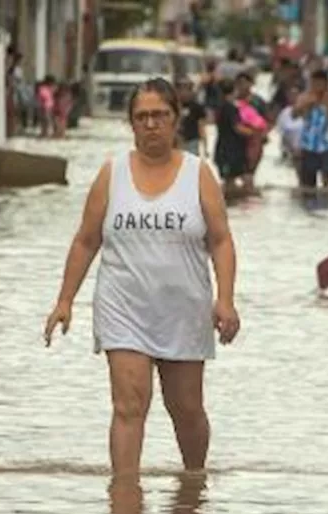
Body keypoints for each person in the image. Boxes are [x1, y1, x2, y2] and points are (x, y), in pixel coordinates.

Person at [43, 77, 240, 477]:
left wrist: (226, 299)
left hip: (183, 308)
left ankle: (194, 482)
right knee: (129, 405)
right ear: (131, 123)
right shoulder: (111, 174)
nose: (151, 124)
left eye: (160, 115)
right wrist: (64, 300)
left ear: (176, 119)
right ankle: (125, 501)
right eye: (142, 117)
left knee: (185, 409)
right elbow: (86, 241)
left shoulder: (198, 174)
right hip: (123, 307)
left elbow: (221, 241)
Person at [292, 69, 328, 194]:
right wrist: (309, 104)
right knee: (307, 184)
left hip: (325, 147)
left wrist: (327, 104)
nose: (316, 86)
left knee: (326, 183)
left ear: (327, 84)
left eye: (320, 83)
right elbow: (294, 114)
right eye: (314, 83)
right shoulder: (305, 97)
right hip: (307, 146)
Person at [212, 79, 256, 197]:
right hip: (231, 151)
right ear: (234, 91)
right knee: (240, 180)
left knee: (230, 181)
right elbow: (237, 127)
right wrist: (253, 133)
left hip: (222, 149)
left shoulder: (219, 107)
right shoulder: (231, 108)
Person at [176, 77, 209, 157]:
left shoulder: (196, 107)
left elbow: (201, 126)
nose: (184, 93)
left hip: (192, 142)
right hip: (177, 142)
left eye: (187, 90)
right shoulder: (174, 107)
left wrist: (205, 146)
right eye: (181, 90)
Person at [275, 84, 304, 164]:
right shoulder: (284, 112)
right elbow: (281, 131)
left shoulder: (306, 111)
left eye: (295, 94)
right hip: (289, 146)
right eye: (291, 95)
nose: (293, 97)